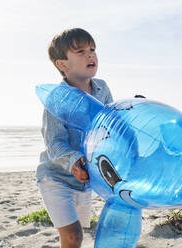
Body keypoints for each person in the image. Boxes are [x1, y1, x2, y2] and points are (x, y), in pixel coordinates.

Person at [36, 28, 113, 248]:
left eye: (92, 49)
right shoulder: (57, 99)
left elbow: (107, 127)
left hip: (85, 181)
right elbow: (54, 143)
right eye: (80, 51)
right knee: (72, 237)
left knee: (76, 240)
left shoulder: (102, 89)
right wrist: (74, 163)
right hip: (56, 177)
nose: (90, 55)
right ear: (63, 64)